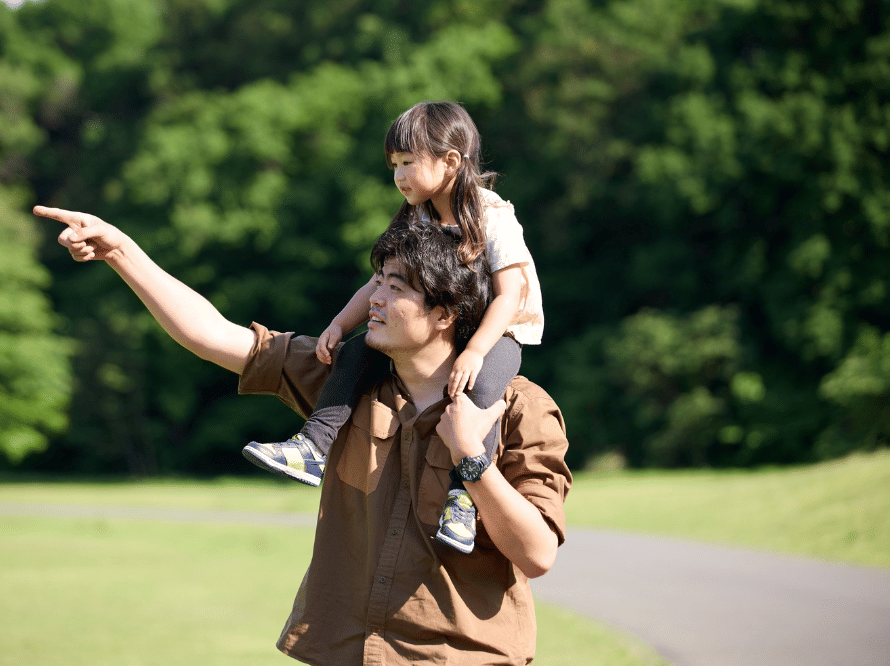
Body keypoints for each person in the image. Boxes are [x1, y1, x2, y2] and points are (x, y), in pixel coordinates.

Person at [34, 202, 572, 664]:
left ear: (445, 314)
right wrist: (121, 251)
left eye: (395, 288)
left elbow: (537, 554)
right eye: (377, 283)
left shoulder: (520, 410)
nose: (375, 300)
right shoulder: (343, 381)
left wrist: (471, 457)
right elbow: (212, 335)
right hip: (343, 651)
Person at [242, 100, 545, 554]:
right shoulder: (416, 215)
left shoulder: (491, 214)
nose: (399, 176)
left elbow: (510, 295)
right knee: (357, 351)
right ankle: (313, 447)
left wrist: (476, 351)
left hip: (500, 330)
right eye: (395, 165)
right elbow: (378, 281)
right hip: (445, 326)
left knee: (480, 392)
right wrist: (341, 323)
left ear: (450, 162)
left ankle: (462, 502)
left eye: (408, 163)